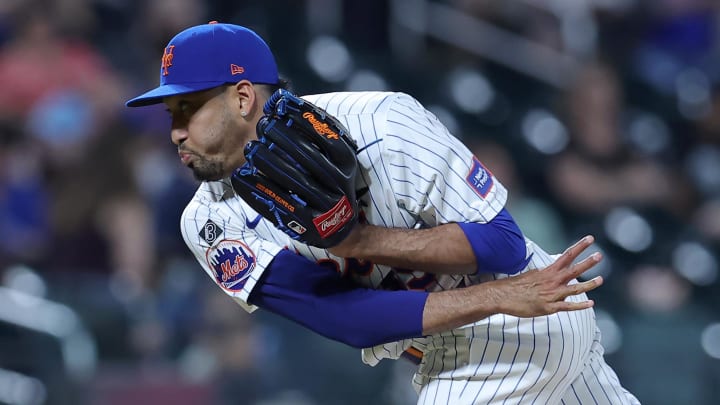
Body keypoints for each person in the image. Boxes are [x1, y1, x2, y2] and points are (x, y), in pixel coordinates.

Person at [126, 22, 639, 404]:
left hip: (522, 322)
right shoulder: (208, 221)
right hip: (473, 331)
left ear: (241, 97)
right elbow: (347, 319)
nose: (175, 131)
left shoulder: (381, 122)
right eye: (173, 113)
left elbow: (500, 244)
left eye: (188, 108)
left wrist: (358, 240)